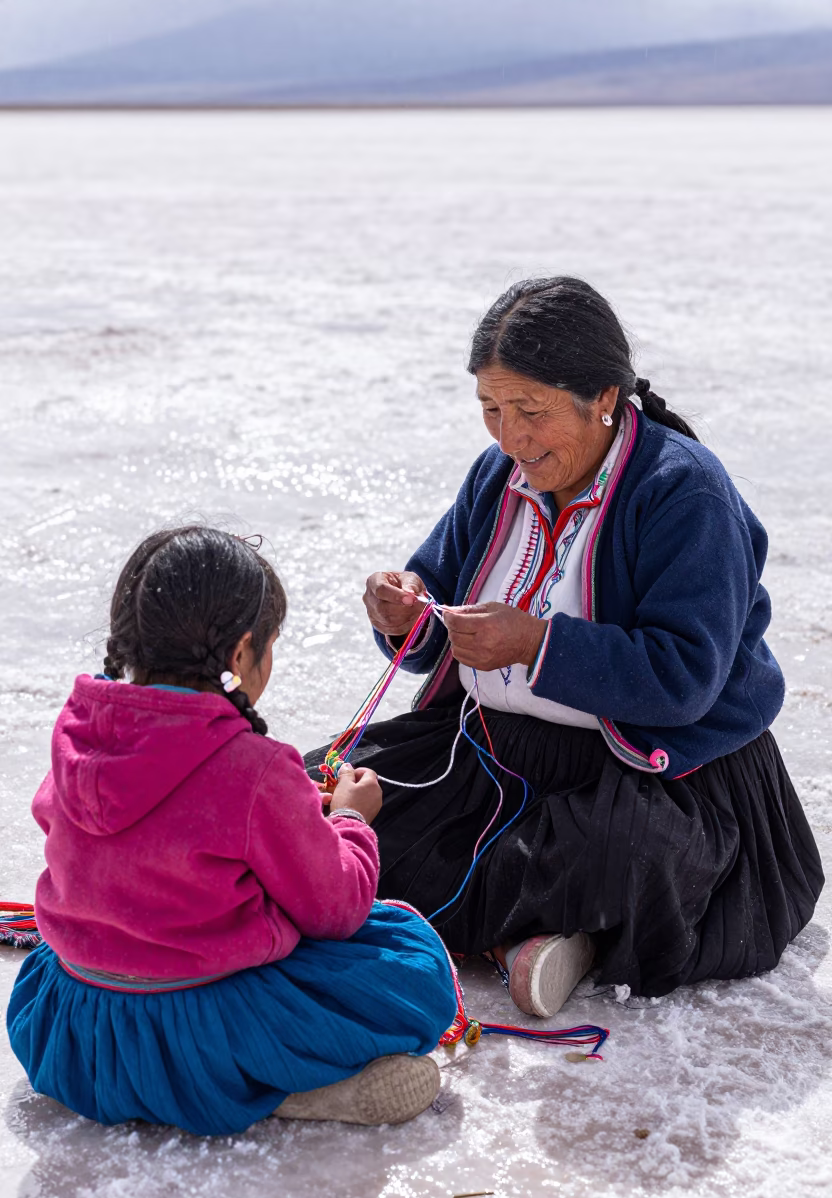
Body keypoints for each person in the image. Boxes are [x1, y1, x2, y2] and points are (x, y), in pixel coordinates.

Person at [315, 276, 824, 1019]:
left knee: (624, 855)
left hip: (654, 770)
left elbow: (683, 678)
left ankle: (547, 927)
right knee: (324, 800)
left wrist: (534, 643)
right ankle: (534, 935)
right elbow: (438, 603)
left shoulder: (686, 494)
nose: (510, 436)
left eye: (531, 411)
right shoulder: (499, 475)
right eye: (491, 409)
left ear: (606, 398)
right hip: (492, 747)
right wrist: (403, 612)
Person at [7, 526, 456, 1135]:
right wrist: (348, 820)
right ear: (243, 652)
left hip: (74, 1035)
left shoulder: (79, 730)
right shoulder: (255, 767)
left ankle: (201, 1085)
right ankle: (273, 1090)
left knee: (59, 964)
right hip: (204, 1034)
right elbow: (337, 910)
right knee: (411, 954)